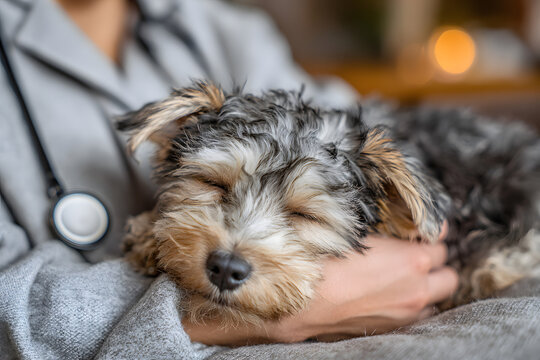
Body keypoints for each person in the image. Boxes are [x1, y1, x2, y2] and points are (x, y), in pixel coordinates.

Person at [0, 0, 458, 352]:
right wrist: (276, 312)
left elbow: (354, 129)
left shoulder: (224, 28)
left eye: (300, 213)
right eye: (216, 185)